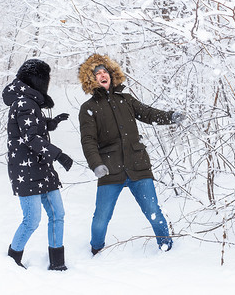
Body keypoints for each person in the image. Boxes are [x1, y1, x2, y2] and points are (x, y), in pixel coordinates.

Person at [78, 54, 185, 255]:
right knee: (101, 217)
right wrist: (96, 164)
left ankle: (166, 247)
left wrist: (170, 116)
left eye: (104, 71)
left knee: (153, 211)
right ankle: (95, 249)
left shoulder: (126, 100)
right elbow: (88, 141)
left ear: (111, 74)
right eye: (97, 73)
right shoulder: (88, 109)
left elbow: (148, 113)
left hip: (138, 166)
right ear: (91, 79)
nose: (102, 75)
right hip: (110, 171)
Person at [2, 59, 73, 270]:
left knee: (57, 214)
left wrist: (51, 123)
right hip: (27, 169)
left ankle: (57, 263)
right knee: (32, 220)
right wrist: (59, 155)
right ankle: (12, 260)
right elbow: (30, 138)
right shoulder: (24, 103)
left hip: (41, 167)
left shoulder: (29, 102)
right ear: (37, 81)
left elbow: (32, 127)